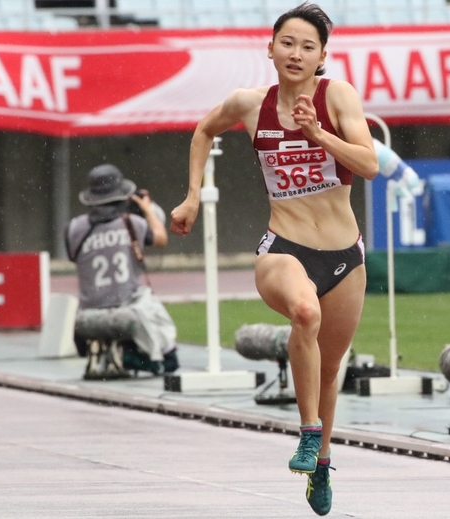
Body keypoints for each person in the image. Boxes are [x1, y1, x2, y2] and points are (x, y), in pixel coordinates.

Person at [170, 2, 377, 515]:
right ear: (270, 48)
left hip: (344, 256)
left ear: (322, 56)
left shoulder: (338, 96)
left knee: (330, 372)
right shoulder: (249, 104)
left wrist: (318, 135)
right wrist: (193, 195)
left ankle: (322, 464)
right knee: (305, 312)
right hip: (283, 249)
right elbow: (202, 130)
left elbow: (370, 165)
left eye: (308, 46)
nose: (296, 53)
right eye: (287, 42)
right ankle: (309, 433)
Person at [66, 163, 179, 375]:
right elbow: (161, 238)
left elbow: (74, 257)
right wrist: (147, 209)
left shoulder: (74, 228)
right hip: (126, 304)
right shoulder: (132, 223)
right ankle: (167, 354)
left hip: (88, 309)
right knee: (148, 301)